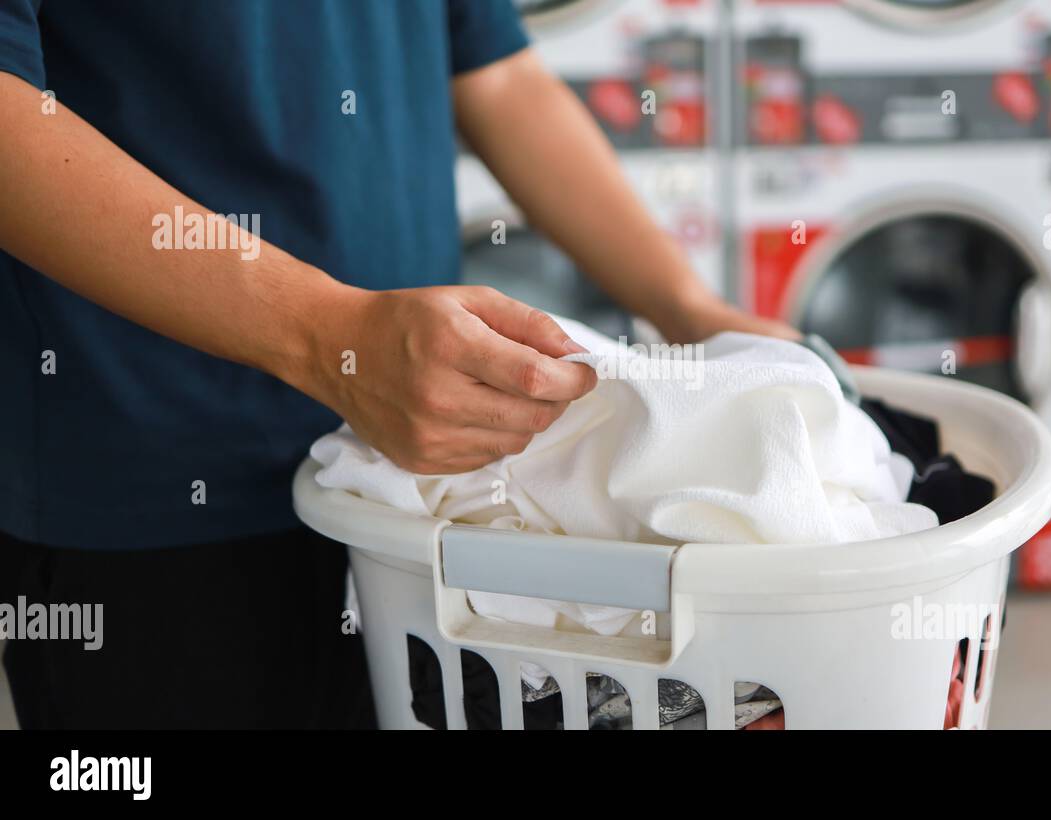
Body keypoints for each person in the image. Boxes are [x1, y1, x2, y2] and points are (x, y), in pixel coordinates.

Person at [0, 0, 795, 728]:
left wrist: (690, 310)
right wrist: (328, 337)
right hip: (154, 490)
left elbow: (498, 71)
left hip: (426, 495)